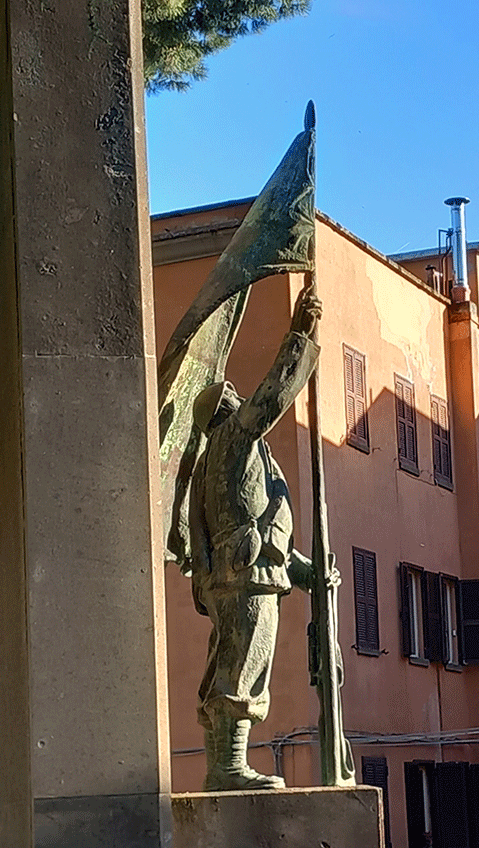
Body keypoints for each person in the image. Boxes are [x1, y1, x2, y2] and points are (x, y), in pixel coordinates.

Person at [188, 286, 321, 790]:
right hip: (244, 574)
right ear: (229, 409)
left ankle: (225, 766)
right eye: (238, 402)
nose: (245, 403)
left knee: (239, 658)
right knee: (242, 664)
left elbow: (268, 527)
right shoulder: (234, 440)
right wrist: (298, 337)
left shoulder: (222, 461)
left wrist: (306, 571)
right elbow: (272, 398)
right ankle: (227, 769)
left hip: (247, 571)